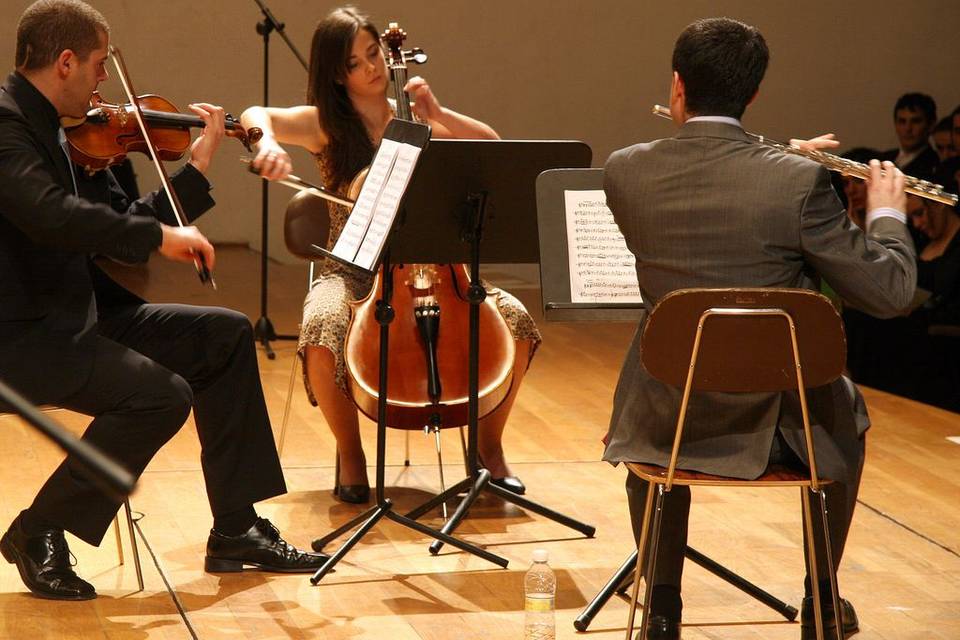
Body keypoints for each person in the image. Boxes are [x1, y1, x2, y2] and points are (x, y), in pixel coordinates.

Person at [0, 0, 325, 602]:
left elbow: (119, 229)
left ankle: (236, 527)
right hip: (21, 337)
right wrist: (160, 234)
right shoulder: (7, 124)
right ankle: (39, 528)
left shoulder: (70, 131)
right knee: (159, 396)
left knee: (223, 336)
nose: (105, 80)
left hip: (80, 318)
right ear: (66, 61)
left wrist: (195, 173)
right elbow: (50, 216)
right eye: (99, 65)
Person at [602, 18, 915, 640]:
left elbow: (716, 198)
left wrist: (777, 165)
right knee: (845, 406)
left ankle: (661, 605)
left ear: (677, 86)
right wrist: (885, 212)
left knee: (653, 382)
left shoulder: (624, 171)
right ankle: (822, 598)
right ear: (753, 96)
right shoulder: (799, 184)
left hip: (669, 416)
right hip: (781, 427)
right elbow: (891, 291)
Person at [240, 6, 540, 503]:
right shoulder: (327, 127)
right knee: (321, 323)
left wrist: (439, 116)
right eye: (356, 62)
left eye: (374, 53)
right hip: (355, 270)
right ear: (337, 74)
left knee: (516, 318)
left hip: (437, 270)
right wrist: (265, 143)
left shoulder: (414, 120)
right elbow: (257, 115)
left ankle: (489, 446)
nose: (373, 67)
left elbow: (492, 149)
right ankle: (351, 453)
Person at [881, 92, 940, 177]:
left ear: (931, 125)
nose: (908, 128)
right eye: (902, 121)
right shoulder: (883, 158)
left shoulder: (936, 165)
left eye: (916, 121)